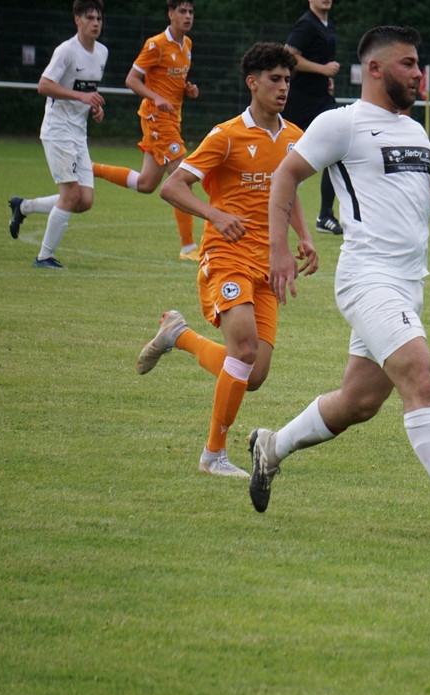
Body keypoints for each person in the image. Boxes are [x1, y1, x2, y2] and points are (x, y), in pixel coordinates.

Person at [248, 26, 430, 540]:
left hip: (408, 285)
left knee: (357, 402)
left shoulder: (416, 132)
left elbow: (408, 215)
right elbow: (285, 176)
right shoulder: (342, 123)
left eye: (418, 63)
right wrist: (278, 249)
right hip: (367, 279)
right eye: (408, 64)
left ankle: (272, 446)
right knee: (420, 375)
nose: (418, 73)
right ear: (376, 69)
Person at [136, 42, 318, 477]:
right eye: (274, 79)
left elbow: (287, 192)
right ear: (252, 83)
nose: (283, 87)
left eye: (287, 80)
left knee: (252, 375)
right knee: (245, 349)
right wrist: (215, 214)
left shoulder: (295, 137)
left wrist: (304, 236)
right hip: (226, 254)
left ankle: (178, 335)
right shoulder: (226, 135)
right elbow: (172, 187)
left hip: (268, 264)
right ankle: (213, 455)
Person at [91, 0, 202, 262]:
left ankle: (90, 168)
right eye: (182, 11)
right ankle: (188, 248)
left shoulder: (187, 45)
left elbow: (172, 81)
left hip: (172, 119)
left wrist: (187, 89)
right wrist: (156, 97)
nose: (187, 16)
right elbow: (131, 79)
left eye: (190, 11)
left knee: (146, 184)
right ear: (170, 14)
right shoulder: (156, 44)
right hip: (157, 120)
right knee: (182, 179)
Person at [7, 0, 107, 269]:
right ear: (77, 20)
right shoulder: (66, 51)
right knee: (71, 195)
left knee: (84, 200)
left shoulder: (102, 52)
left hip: (79, 133)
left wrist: (95, 108)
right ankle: (43, 257)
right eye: (89, 18)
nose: (95, 23)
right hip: (58, 130)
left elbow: (87, 92)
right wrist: (81, 96)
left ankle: (23, 207)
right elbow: (44, 85)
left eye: (98, 18)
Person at [283, 0, 344, 236]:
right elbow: (289, 56)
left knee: (338, 147)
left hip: (321, 100)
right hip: (300, 102)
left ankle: (325, 215)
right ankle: (262, 203)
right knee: (281, 152)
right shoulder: (306, 24)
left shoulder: (328, 25)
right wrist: (322, 70)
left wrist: (326, 80)